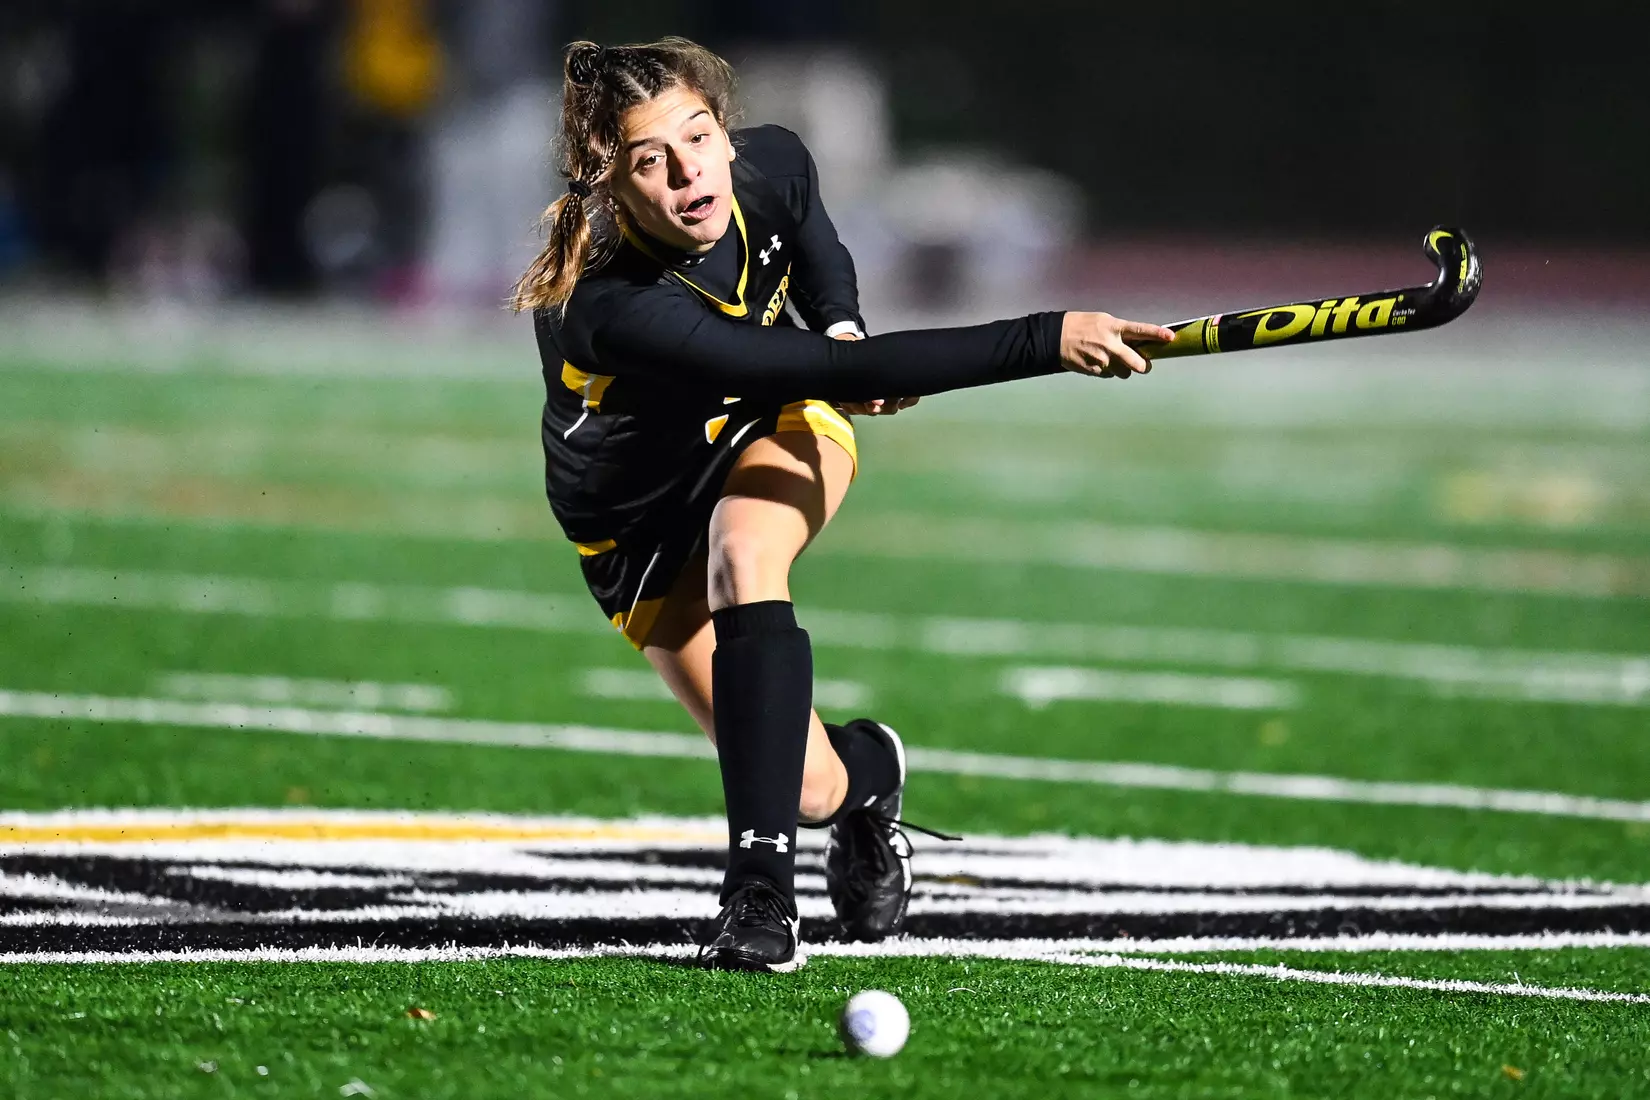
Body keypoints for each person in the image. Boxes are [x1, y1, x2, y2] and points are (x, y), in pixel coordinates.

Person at [513, 37, 1171, 972]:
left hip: (766, 423)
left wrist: (842, 317)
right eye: (649, 161)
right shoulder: (613, 304)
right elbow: (829, 370)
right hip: (636, 528)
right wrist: (1044, 336)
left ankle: (758, 901)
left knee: (747, 555)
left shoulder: (770, 162)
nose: (688, 172)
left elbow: (813, 246)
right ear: (608, 181)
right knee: (808, 783)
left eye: (698, 136)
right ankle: (870, 777)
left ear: (724, 130)